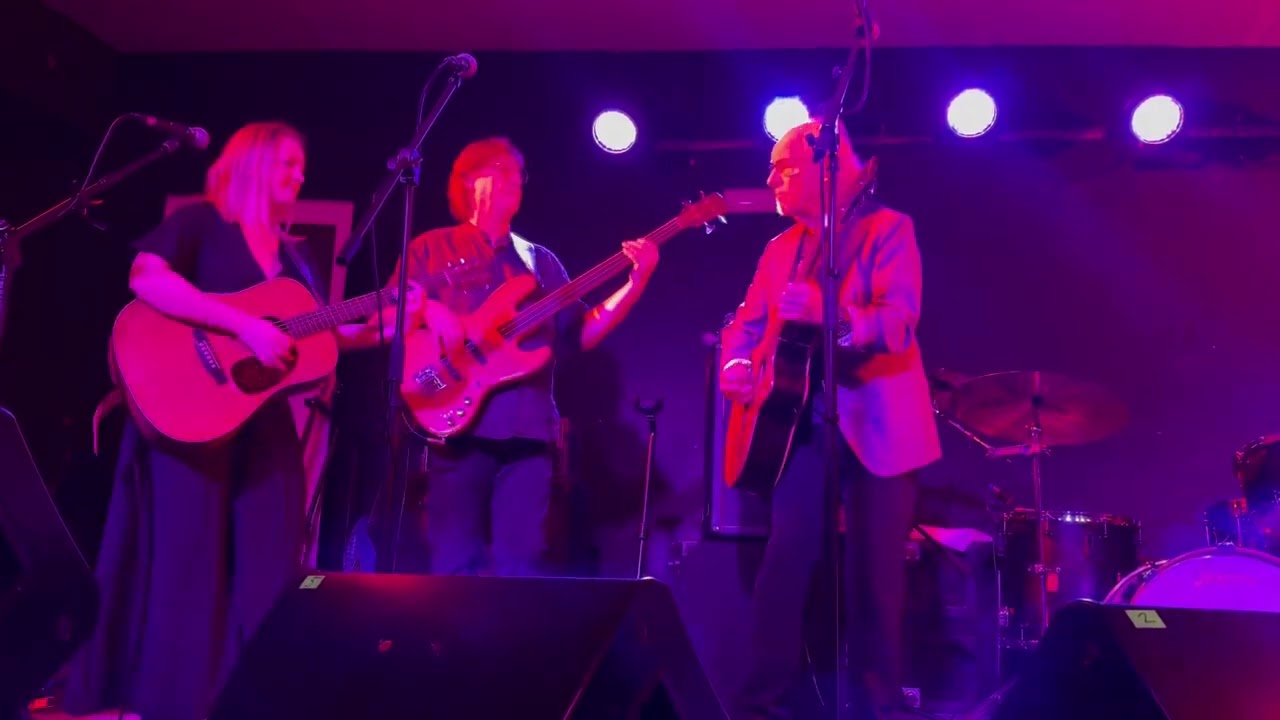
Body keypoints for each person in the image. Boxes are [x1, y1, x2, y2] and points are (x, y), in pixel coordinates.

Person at [61, 121, 419, 720]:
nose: (300, 175)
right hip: (189, 416)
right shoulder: (202, 223)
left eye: (301, 166)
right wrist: (243, 325)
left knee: (272, 561)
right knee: (189, 560)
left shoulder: (296, 254)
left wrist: (391, 323)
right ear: (252, 164)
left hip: (260, 422)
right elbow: (146, 278)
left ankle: (253, 701)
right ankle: (175, 703)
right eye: (288, 164)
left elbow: (316, 337)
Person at [719, 120, 942, 720]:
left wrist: (833, 315)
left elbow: (898, 322)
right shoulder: (779, 249)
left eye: (782, 167)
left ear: (825, 164)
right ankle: (760, 705)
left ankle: (878, 707)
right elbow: (745, 324)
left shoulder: (888, 229)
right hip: (800, 427)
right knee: (783, 565)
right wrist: (737, 362)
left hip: (879, 425)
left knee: (876, 579)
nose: (770, 180)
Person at [385, 136, 658, 578]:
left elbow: (582, 332)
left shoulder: (540, 262)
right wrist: (431, 311)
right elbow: (391, 313)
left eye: (519, 174)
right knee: (453, 566)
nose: (516, 180)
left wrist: (636, 282)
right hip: (455, 426)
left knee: (521, 567)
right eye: (504, 170)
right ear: (471, 180)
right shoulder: (429, 249)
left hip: (527, 432)